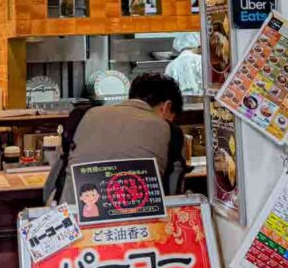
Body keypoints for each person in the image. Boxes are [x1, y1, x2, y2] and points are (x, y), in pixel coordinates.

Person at [46, 72, 186, 205]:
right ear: (167, 107)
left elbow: (50, 188)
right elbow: (173, 195)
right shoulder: (169, 130)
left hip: (74, 220)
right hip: (142, 222)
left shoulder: (82, 117)